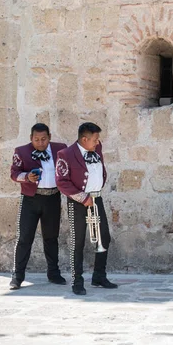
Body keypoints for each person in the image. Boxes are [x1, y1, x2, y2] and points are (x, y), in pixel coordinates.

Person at [55, 122, 118, 295]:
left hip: (96, 198)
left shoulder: (97, 149)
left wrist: (94, 196)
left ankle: (99, 276)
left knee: (103, 237)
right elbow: (62, 182)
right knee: (78, 241)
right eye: (95, 139)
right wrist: (83, 198)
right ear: (84, 139)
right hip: (78, 201)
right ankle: (77, 281)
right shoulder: (65, 154)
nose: (98, 143)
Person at [9, 123, 67, 290]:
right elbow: (14, 174)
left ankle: (53, 273)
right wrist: (27, 177)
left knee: (51, 238)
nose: (40, 143)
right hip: (30, 199)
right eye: (36, 139)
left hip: (53, 198)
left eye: (44, 139)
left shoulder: (60, 149)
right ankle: (17, 276)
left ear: (49, 137)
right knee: (24, 238)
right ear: (31, 138)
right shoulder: (21, 151)